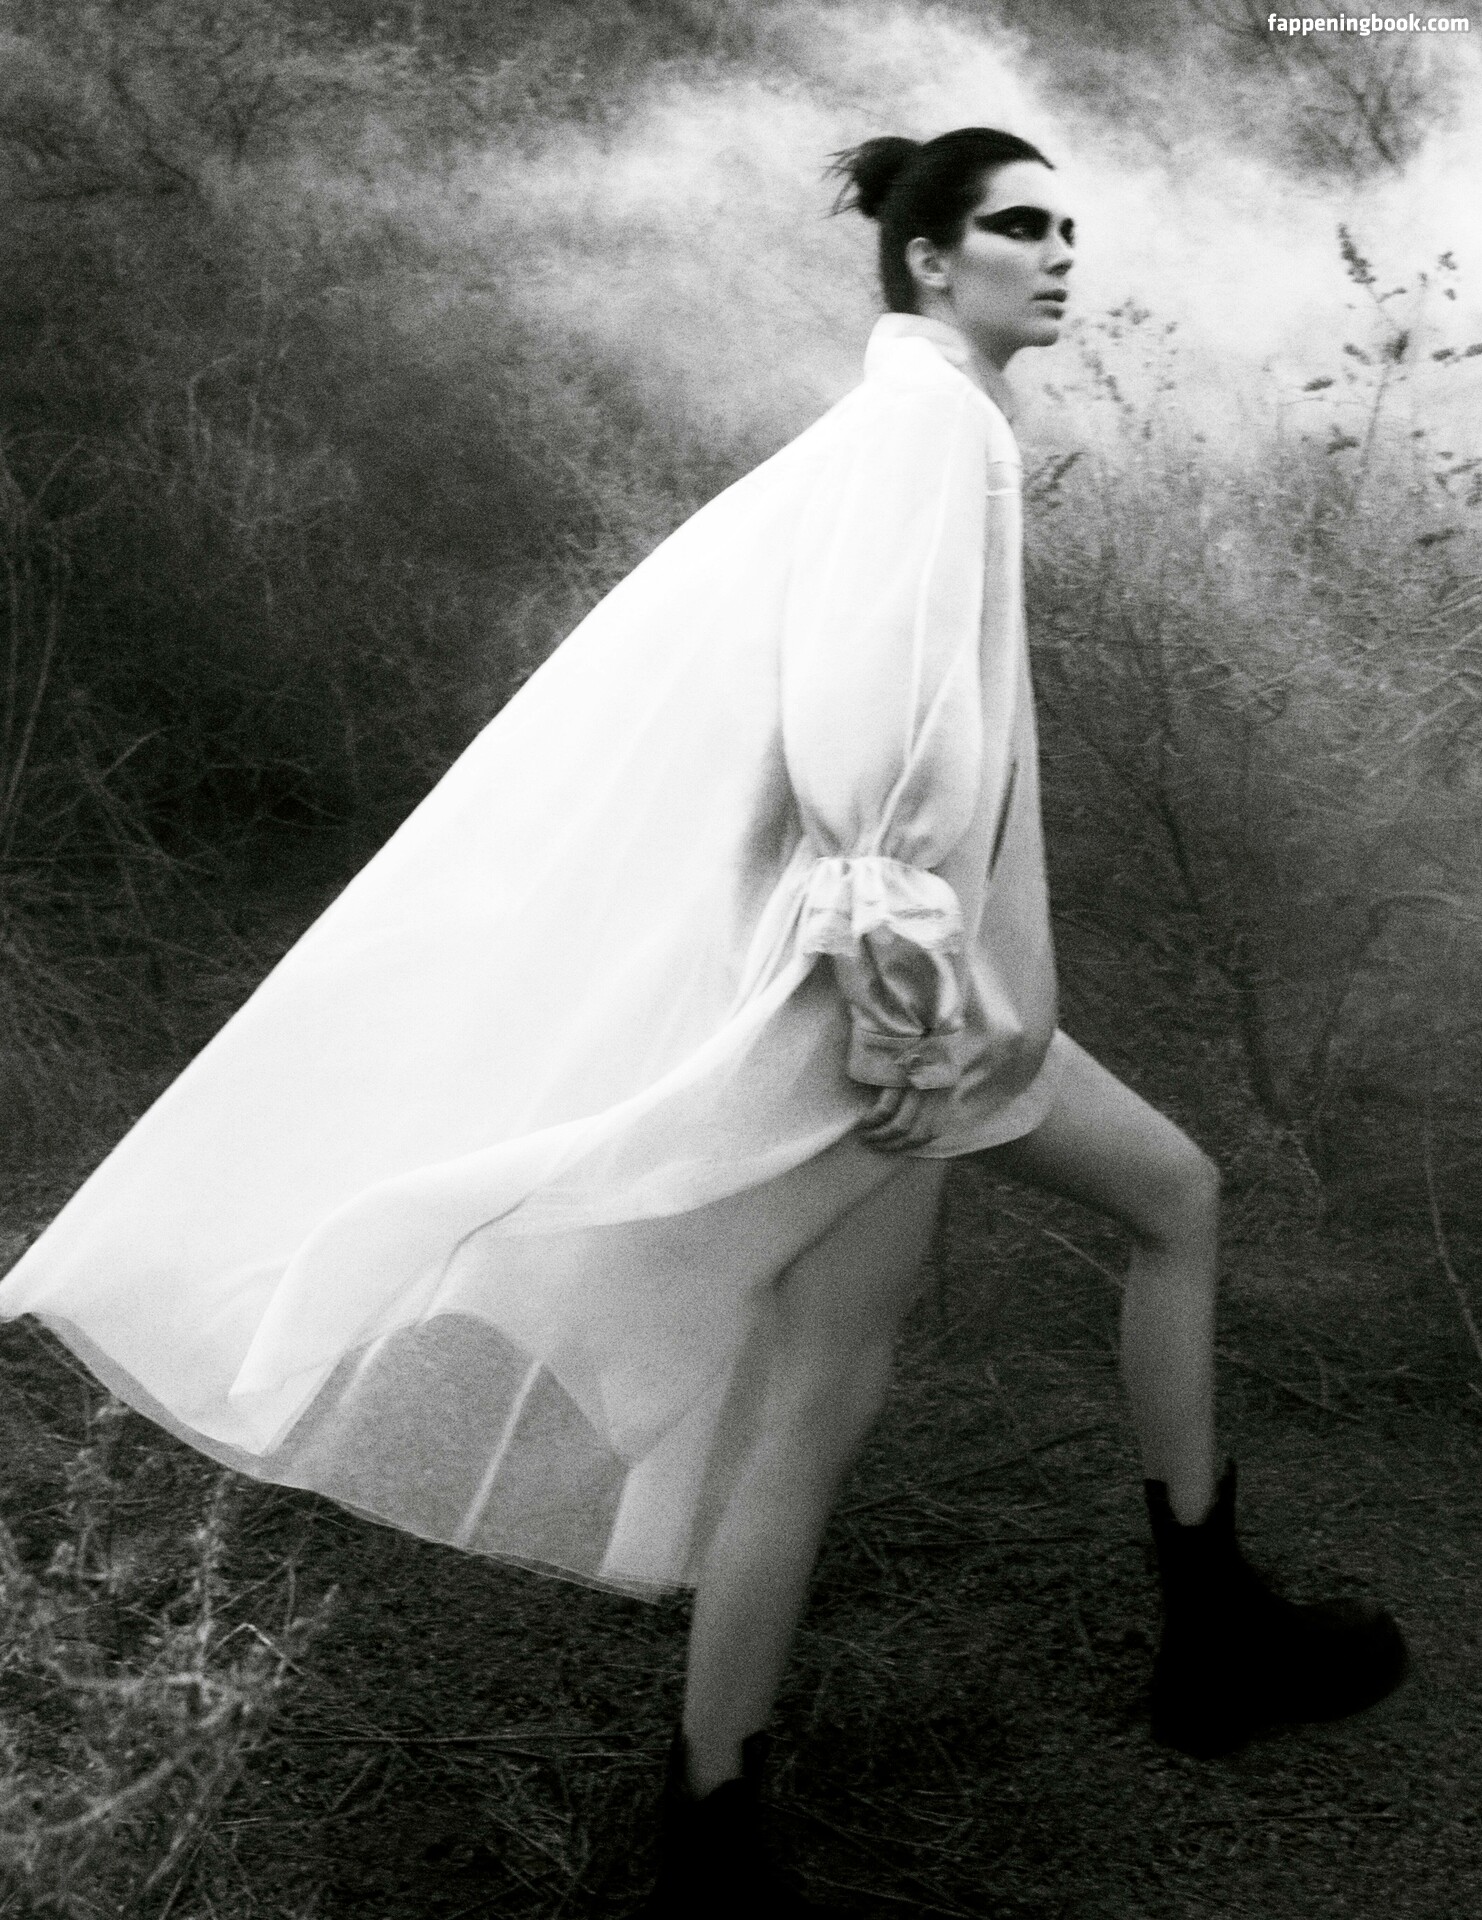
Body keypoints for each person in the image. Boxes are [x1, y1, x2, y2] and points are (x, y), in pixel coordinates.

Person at [0, 128, 1405, 1915]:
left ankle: (722, 1814)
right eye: (1017, 227)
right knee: (1165, 1204)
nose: (1059, 254)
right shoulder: (928, 429)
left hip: (880, 991)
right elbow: (859, 729)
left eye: (1069, 227)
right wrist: (916, 989)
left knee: (829, 1383)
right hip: (895, 1001)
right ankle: (1189, 1648)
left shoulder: (909, 420)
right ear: (927, 260)